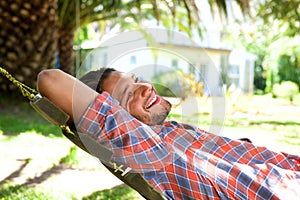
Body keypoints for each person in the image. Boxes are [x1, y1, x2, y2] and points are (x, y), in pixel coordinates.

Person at [37, 68, 300, 199]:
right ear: (117, 122)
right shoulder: (145, 149)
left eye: (137, 79)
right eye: (129, 95)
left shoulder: (170, 133)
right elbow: (50, 79)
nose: (147, 87)